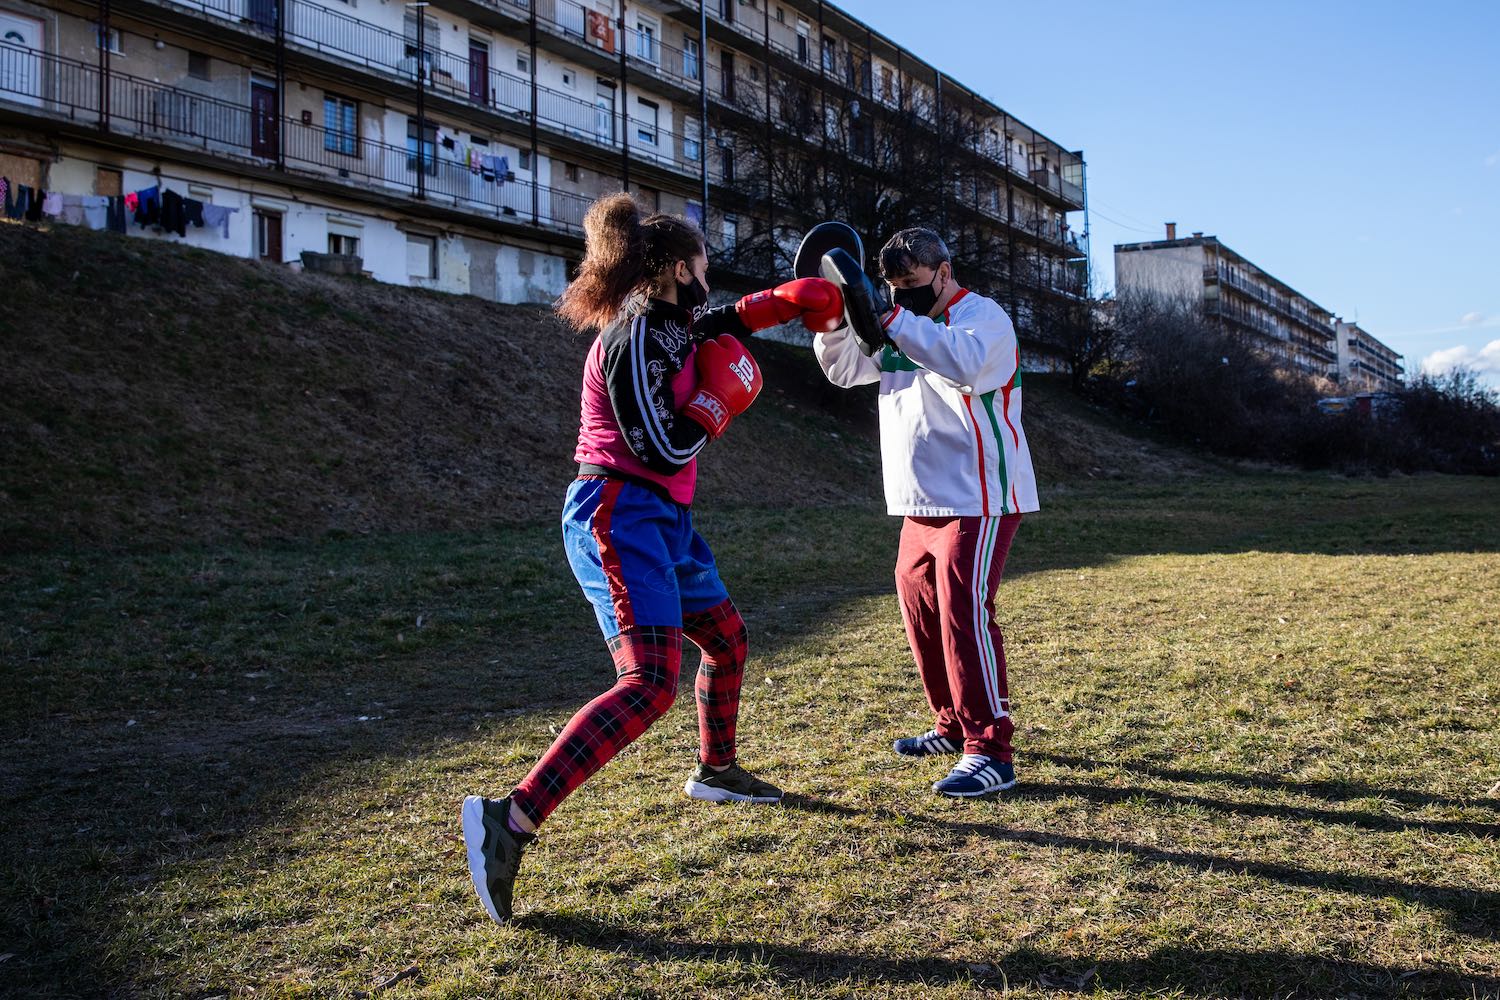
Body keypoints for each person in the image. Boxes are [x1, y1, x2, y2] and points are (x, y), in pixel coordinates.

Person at [462, 193, 845, 924]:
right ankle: (508, 821)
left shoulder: (675, 321)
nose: (712, 277)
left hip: (664, 518)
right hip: (617, 512)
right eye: (704, 265)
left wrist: (790, 301)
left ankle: (718, 770)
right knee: (647, 685)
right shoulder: (632, 337)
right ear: (675, 269)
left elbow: (723, 319)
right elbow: (660, 446)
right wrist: (717, 404)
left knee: (726, 639)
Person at [812, 227, 1038, 798]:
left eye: (910, 283)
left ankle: (990, 751)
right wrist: (835, 319)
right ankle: (952, 722)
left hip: (980, 495)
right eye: (892, 286)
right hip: (919, 502)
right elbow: (844, 371)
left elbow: (960, 363)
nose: (901, 294)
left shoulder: (983, 318)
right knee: (920, 613)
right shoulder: (895, 324)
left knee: (964, 613)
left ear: (943, 271)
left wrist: (887, 317)